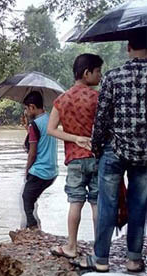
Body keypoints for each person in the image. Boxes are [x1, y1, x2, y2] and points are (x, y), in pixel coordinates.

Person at [77, 33, 147, 273]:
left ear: (129, 47)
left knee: (107, 204)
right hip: (145, 153)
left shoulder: (112, 77)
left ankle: (101, 260)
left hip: (114, 149)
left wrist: (96, 148)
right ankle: (134, 259)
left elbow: (102, 118)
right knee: (139, 205)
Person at [47, 54, 104, 259]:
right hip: (96, 156)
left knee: (75, 202)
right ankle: (100, 248)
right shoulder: (97, 98)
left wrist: (74, 138)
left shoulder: (61, 100)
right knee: (97, 202)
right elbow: (104, 128)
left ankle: (71, 246)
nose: (100, 75)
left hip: (74, 159)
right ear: (86, 73)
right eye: (97, 71)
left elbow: (51, 129)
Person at [21, 91, 58, 230]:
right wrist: (28, 128)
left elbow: (32, 153)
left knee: (26, 197)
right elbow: (41, 140)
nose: (25, 111)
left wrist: (27, 170)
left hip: (40, 170)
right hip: (52, 171)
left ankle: (33, 228)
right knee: (31, 199)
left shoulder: (34, 125)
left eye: (26, 108)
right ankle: (27, 228)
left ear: (32, 107)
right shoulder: (50, 119)